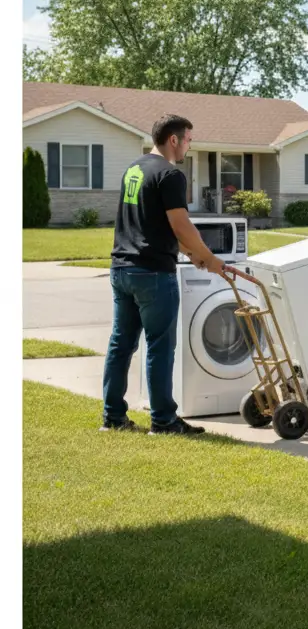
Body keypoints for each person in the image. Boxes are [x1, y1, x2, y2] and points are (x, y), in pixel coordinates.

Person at [100, 114, 227, 436]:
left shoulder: (135, 169)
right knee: (159, 346)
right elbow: (180, 223)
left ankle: (113, 419)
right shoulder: (170, 174)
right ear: (174, 139)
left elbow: (150, 222)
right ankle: (164, 421)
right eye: (188, 140)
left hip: (121, 269)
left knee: (121, 344)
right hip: (153, 274)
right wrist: (209, 258)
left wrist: (191, 254)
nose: (189, 145)